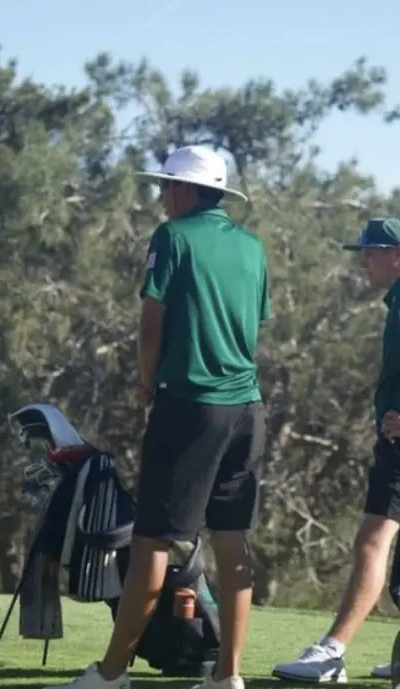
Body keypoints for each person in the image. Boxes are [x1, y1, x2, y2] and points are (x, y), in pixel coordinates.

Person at [46, 145, 271, 689]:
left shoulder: (172, 237)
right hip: (247, 410)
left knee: (151, 541)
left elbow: (151, 326)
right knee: (232, 540)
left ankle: (111, 674)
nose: (162, 195)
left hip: (189, 406)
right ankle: (228, 676)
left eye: (166, 186)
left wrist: (147, 382)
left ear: (188, 189)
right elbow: (251, 324)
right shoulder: (252, 245)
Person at [272, 217, 400, 684]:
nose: (364, 262)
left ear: (399, 255)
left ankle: (331, 653)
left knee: (372, 542)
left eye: (371, 252)